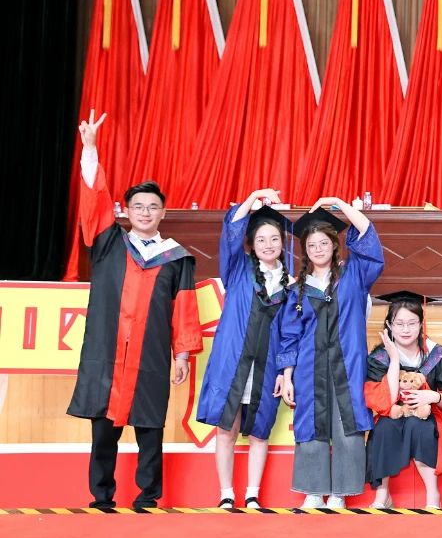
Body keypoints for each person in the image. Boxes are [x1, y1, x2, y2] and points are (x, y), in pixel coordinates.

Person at [66, 110, 202, 509]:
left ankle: (148, 496)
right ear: (125, 210)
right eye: (138, 206)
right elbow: (94, 200)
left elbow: (184, 308)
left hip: (150, 354)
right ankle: (101, 496)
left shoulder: (175, 257)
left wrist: (182, 355)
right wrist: (90, 150)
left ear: (163, 213)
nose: (145, 212)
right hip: (109, 352)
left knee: (149, 426)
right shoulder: (109, 242)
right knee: (103, 429)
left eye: (152, 206)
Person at [276, 199, 383, 509]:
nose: (318, 249)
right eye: (312, 245)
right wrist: (287, 376)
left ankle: (340, 493)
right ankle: (314, 490)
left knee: (347, 423)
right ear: (305, 251)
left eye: (324, 243)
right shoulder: (298, 289)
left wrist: (339, 204)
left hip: (348, 365)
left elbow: (368, 236)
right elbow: (290, 335)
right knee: (311, 424)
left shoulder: (353, 275)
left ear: (335, 245)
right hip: (309, 368)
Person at [196, 192, 293, 509]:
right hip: (232, 361)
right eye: (261, 239)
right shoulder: (238, 268)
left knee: (260, 431)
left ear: (283, 243)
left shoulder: (291, 283)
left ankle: (252, 494)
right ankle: (226, 493)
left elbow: (291, 332)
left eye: (274, 238)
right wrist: (253, 197)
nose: (268, 244)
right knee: (227, 428)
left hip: (267, 364)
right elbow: (231, 230)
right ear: (251, 243)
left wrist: (285, 371)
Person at [363, 290, 442, 509]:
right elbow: (381, 401)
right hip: (392, 415)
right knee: (384, 428)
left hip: (428, 417)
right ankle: (383, 495)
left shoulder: (438, 355)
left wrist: (434, 396)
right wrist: (394, 359)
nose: (406, 329)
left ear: (421, 324)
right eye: (399, 324)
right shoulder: (379, 358)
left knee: (419, 426)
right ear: (389, 326)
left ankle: (433, 495)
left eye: (412, 323)